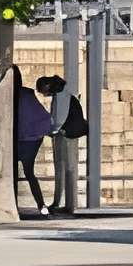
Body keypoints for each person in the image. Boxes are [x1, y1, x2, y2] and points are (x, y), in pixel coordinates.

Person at [36, 72, 85, 214]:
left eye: (42, 91)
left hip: (65, 135)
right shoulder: (63, 94)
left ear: (47, 85)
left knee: (65, 168)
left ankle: (65, 203)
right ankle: (62, 202)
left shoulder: (62, 96)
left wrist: (51, 130)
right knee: (65, 168)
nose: (43, 94)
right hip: (66, 133)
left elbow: (59, 119)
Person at [13, 71, 51, 216]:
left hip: (18, 139)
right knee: (29, 173)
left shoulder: (11, 95)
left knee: (12, 173)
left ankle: (12, 205)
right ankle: (41, 205)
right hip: (31, 140)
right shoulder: (27, 94)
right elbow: (43, 117)